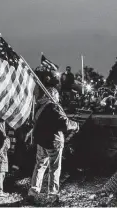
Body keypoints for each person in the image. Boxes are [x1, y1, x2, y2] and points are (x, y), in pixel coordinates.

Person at [28, 69, 79, 204]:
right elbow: (65, 124)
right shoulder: (53, 107)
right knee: (54, 168)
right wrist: (75, 125)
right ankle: (52, 194)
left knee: (39, 166)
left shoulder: (39, 107)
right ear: (54, 95)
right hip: (53, 142)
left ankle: (33, 192)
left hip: (41, 141)